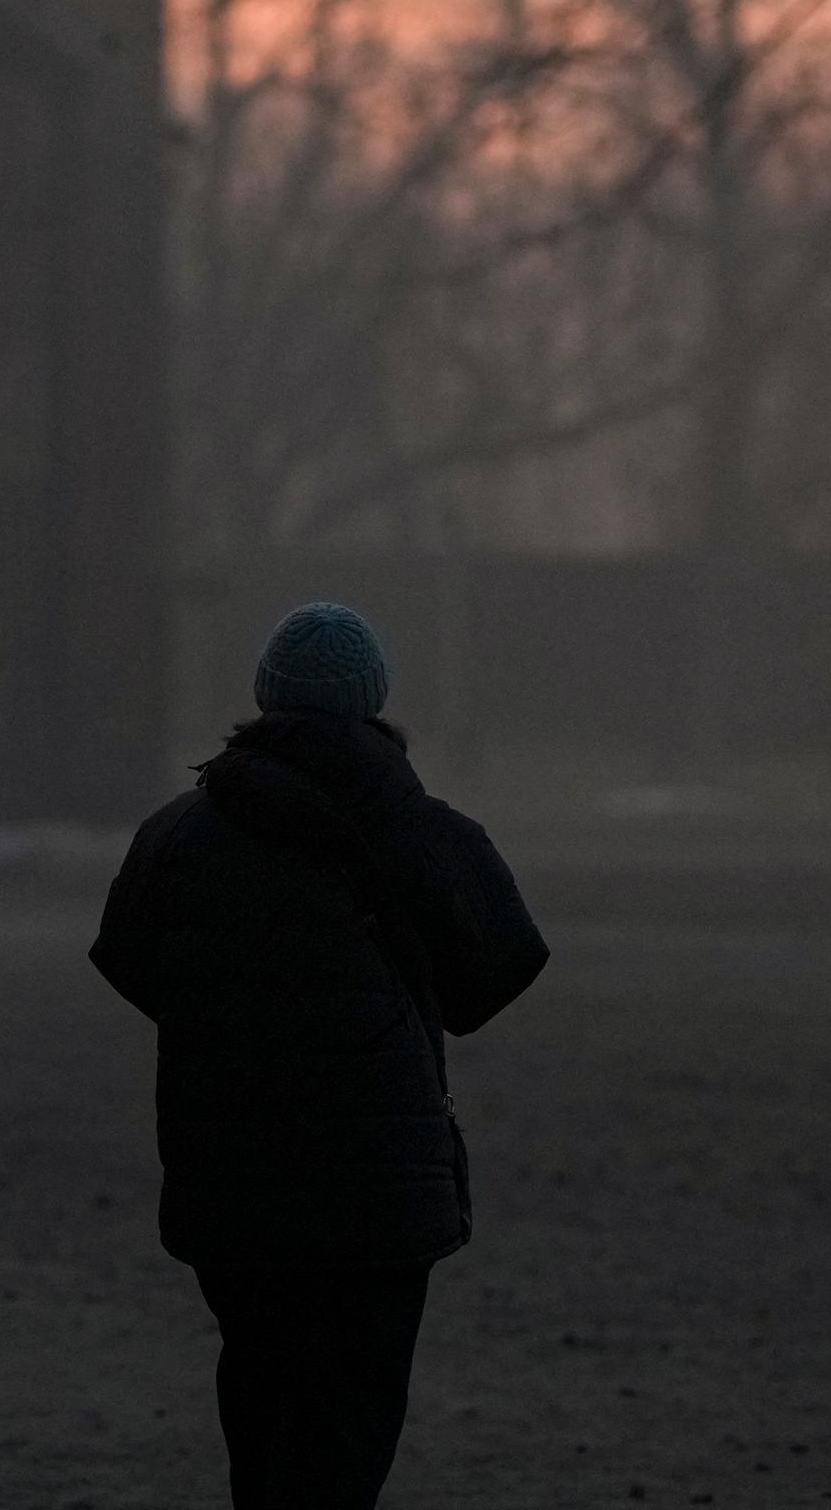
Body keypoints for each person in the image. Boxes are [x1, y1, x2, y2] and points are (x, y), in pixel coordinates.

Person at [91, 600, 550, 1510]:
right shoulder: (427, 835)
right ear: (374, 703)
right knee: (350, 1418)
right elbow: (495, 976)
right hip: (380, 1189)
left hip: (230, 1176)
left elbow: (131, 963)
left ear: (265, 698)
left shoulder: (180, 835)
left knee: (260, 1398)